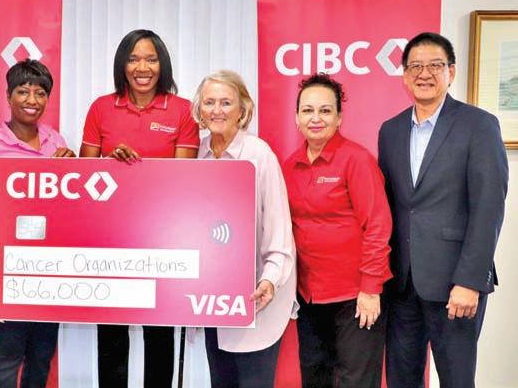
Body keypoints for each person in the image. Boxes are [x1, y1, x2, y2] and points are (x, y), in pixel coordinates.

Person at [378, 32, 508, 388]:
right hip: (402, 284)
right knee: (402, 379)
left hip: (455, 284)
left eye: (435, 65)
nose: (425, 73)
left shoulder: (479, 125)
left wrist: (470, 281)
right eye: (415, 66)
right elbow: (389, 207)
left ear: (451, 71)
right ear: (405, 75)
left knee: (456, 380)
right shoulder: (390, 131)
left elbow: (488, 209)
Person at [79, 29, 199, 387]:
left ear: (163, 65)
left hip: (161, 240)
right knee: (111, 336)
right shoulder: (101, 107)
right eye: (133, 59)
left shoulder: (183, 110)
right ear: (122, 64)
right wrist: (111, 166)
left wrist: (138, 169)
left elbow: (183, 179)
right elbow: (85, 177)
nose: (142, 67)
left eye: (151, 59)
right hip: (111, 240)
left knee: (159, 336)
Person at [0, 58, 75, 388]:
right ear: (8, 96)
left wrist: (73, 167)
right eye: (23, 91)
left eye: (40, 93)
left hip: (50, 271)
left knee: (41, 355)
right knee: (7, 355)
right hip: (6, 272)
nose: (32, 100)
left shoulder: (57, 142)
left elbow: (68, 209)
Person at [282, 73, 392, 388]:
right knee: (315, 378)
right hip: (309, 296)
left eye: (325, 110)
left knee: (356, 381)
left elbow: (378, 225)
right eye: (307, 110)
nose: (315, 118)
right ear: (297, 118)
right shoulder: (289, 166)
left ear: (339, 117)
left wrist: (370, 289)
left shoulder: (356, 160)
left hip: (355, 296)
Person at [194, 69, 296, 388]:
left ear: (243, 109)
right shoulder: (197, 154)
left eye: (226, 102)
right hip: (214, 299)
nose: (217, 110)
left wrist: (269, 280)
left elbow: (279, 229)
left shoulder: (258, 154)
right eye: (209, 102)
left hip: (257, 296)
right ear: (199, 109)